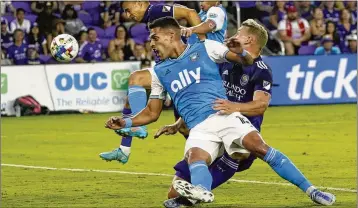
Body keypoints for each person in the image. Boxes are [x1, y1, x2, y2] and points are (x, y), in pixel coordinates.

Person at [105, 16, 336, 206]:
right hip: (198, 128)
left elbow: (246, 62)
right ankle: (201, 192)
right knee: (195, 157)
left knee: (259, 147)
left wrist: (242, 53)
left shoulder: (206, 48)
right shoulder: (158, 73)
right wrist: (126, 123)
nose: (151, 44)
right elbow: (151, 112)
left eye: (155, 38)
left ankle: (312, 191)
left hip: (224, 116)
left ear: (171, 35)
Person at [99, 1, 243, 163]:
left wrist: (201, 45)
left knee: (137, 79)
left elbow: (189, 13)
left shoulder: (156, 10)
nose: (127, 15)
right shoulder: (155, 18)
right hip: (185, 65)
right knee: (133, 99)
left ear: (139, 3)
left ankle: (213, 159)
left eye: (128, 10)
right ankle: (124, 149)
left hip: (197, 66)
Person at [160, 18, 273, 207]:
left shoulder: (261, 70)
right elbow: (205, 97)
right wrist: (179, 123)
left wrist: (233, 107)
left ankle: (196, 195)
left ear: (250, 40)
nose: (233, 35)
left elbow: (260, 105)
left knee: (239, 154)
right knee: (172, 192)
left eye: (239, 34)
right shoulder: (224, 61)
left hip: (240, 130)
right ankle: (194, 192)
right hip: (211, 124)